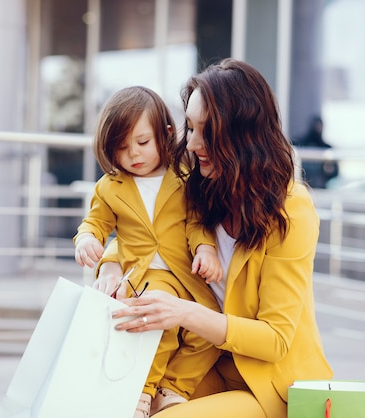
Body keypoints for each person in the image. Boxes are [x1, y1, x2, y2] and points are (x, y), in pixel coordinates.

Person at [101, 59, 333, 418]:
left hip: (268, 385)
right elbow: (150, 233)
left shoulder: (292, 209)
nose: (191, 144)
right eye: (189, 128)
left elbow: (275, 340)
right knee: (112, 405)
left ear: (242, 134)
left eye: (204, 130)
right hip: (203, 368)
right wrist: (111, 262)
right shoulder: (203, 186)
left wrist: (184, 312)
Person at [73, 86, 223, 418]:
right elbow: (95, 221)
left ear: (166, 133)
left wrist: (206, 250)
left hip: (186, 275)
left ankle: (172, 387)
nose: (133, 155)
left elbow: (196, 222)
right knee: (159, 323)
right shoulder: (111, 186)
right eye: (122, 147)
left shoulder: (183, 176)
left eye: (142, 143)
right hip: (145, 276)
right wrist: (86, 240)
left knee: (210, 329)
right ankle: (141, 392)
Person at [293, 115, 338, 188]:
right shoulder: (300, 145)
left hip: (320, 186)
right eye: (316, 126)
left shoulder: (327, 149)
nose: (317, 128)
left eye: (319, 126)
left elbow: (334, 172)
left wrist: (328, 170)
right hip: (302, 184)